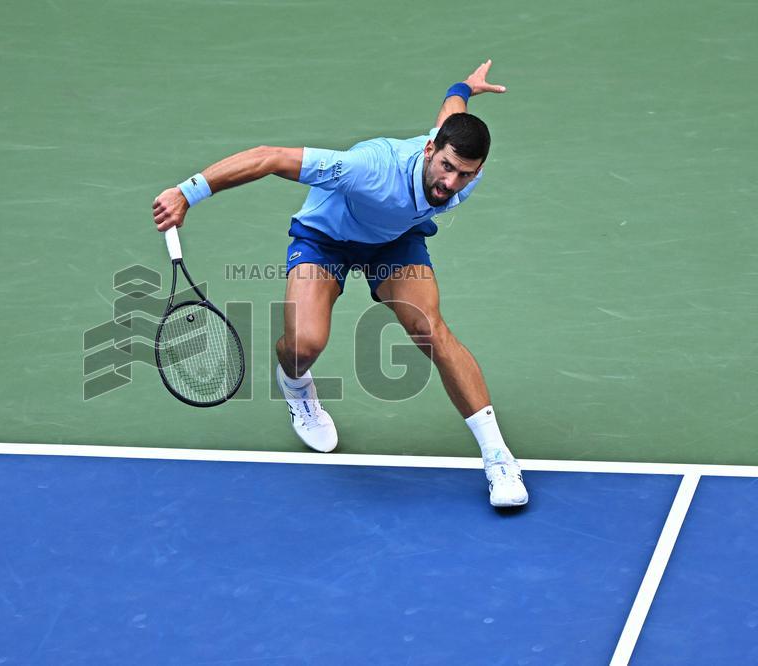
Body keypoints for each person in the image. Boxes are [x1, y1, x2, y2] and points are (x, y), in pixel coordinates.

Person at [152, 60, 528, 507]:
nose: (451, 183)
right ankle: (296, 385)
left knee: (431, 330)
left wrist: (463, 86)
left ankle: (499, 459)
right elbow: (270, 156)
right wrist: (186, 192)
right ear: (429, 150)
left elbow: (451, 113)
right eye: (447, 167)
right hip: (326, 240)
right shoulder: (366, 168)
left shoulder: (461, 164)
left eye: (465, 174)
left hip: (392, 241)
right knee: (305, 344)